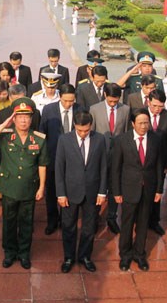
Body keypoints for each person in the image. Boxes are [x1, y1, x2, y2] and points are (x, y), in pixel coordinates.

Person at [0, 98, 49, 270]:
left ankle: (24, 253)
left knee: (27, 222)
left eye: (27, 117)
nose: (23, 121)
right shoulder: (6, 136)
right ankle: (9, 253)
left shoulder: (39, 139)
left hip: (29, 188)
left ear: (31, 119)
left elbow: (42, 165)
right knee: (9, 222)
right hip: (9, 187)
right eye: (20, 117)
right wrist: (3, 124)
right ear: (14, 119)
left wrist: (41, 187)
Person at [112, 108, 164, 271]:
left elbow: (159, 166)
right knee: (127, 223)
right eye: (140, 123)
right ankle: (125, 255)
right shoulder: (122, 140)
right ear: (133, 124)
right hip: (129, 189)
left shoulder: (156, 139)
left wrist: (159, 189)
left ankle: (140, 254)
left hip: (148, 188)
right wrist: (116, 191)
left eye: (146, 123)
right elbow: (116, 168)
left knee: (143, 223)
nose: (143, 126)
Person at [56, 111, 107, 273]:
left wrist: (102, 192)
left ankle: (85, 256)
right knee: (68, 226)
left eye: (86, 130)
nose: (83, 133)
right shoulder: (64, 140)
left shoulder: (100, 139)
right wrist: (61, 193)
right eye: (79, 130)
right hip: (70, 192)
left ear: (91, 126)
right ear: (74, 126)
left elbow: (103, 166)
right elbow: (59, 168)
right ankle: (69, 257)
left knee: (89, 227)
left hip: (92, 192)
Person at [39, 84, 83, 235]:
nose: (68, 104)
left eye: (71, 101)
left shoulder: (80, 110)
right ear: (60, 97)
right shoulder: (48, 110)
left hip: (73, 158)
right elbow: (42, 133)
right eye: (65, 101)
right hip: (53, 156)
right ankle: (52, 220)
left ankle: (66, 220)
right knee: (51, 191)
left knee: (69, 190)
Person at [89, 83, 130, 235]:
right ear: (105, 95)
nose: (113, 104)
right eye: (110, 100)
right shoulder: (94, 109)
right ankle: (94, 217)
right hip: (100, 154)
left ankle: (112, 216)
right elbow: (91, 133)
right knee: (98, 186)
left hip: (118, 155)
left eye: (116, 101)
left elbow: (126, 132)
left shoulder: (125, 109)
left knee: (114, 186)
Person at [146, 88, 167, 228]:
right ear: (148, 102)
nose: (157, 109)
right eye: (154, 105)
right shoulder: (141, 114)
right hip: (142, 160)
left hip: (160, 162)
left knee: (157, 190)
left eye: (160, 106)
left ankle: (154, 221)